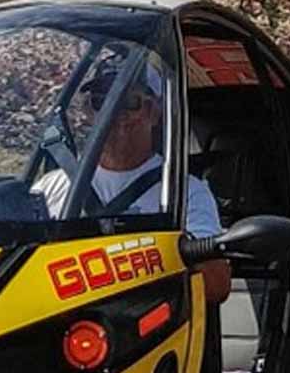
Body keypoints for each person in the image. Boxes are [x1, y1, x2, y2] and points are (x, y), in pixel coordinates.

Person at [32, 60, 232, 304]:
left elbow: (216, 286)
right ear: (87, 113)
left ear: (154, 112)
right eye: (101, 102)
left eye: (127, 103)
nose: (113, 115)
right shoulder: (51, 188)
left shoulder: (185, 192)